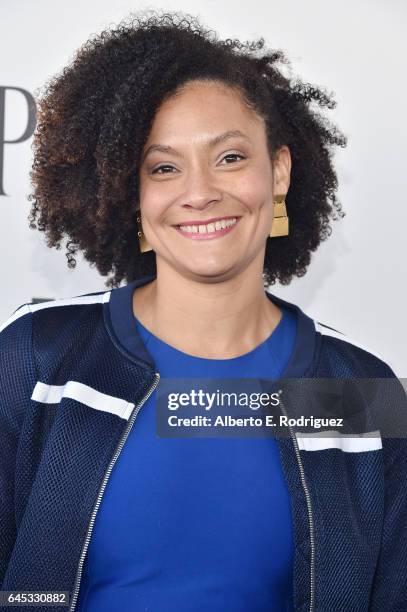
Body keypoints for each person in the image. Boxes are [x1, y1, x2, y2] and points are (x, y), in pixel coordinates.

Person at [0, 10, 406, 612]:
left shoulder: (357, 390)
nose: (198, 192)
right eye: (163, 167)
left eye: (230, 157)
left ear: (280, 172)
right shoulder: (41, 358)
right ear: (129, 194)